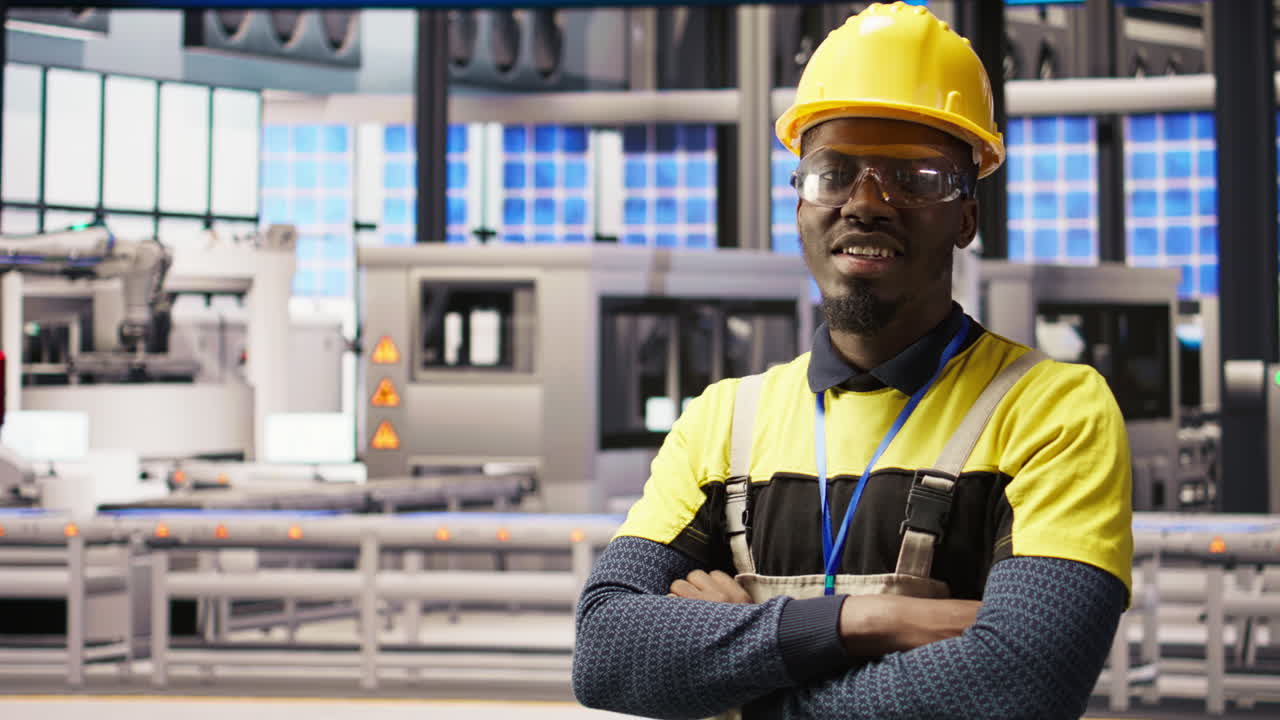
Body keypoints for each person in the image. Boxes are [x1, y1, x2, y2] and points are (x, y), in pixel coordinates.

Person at [572, 3, 1133, 719]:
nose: (866, 204)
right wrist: (872, 620)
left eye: (918, 177)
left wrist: (751, 687)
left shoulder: (1051, 410)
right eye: (832, 173)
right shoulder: (725, 420)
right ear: (799, 202)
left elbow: (1020, 680)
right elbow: (606, 650)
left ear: (967, 215)